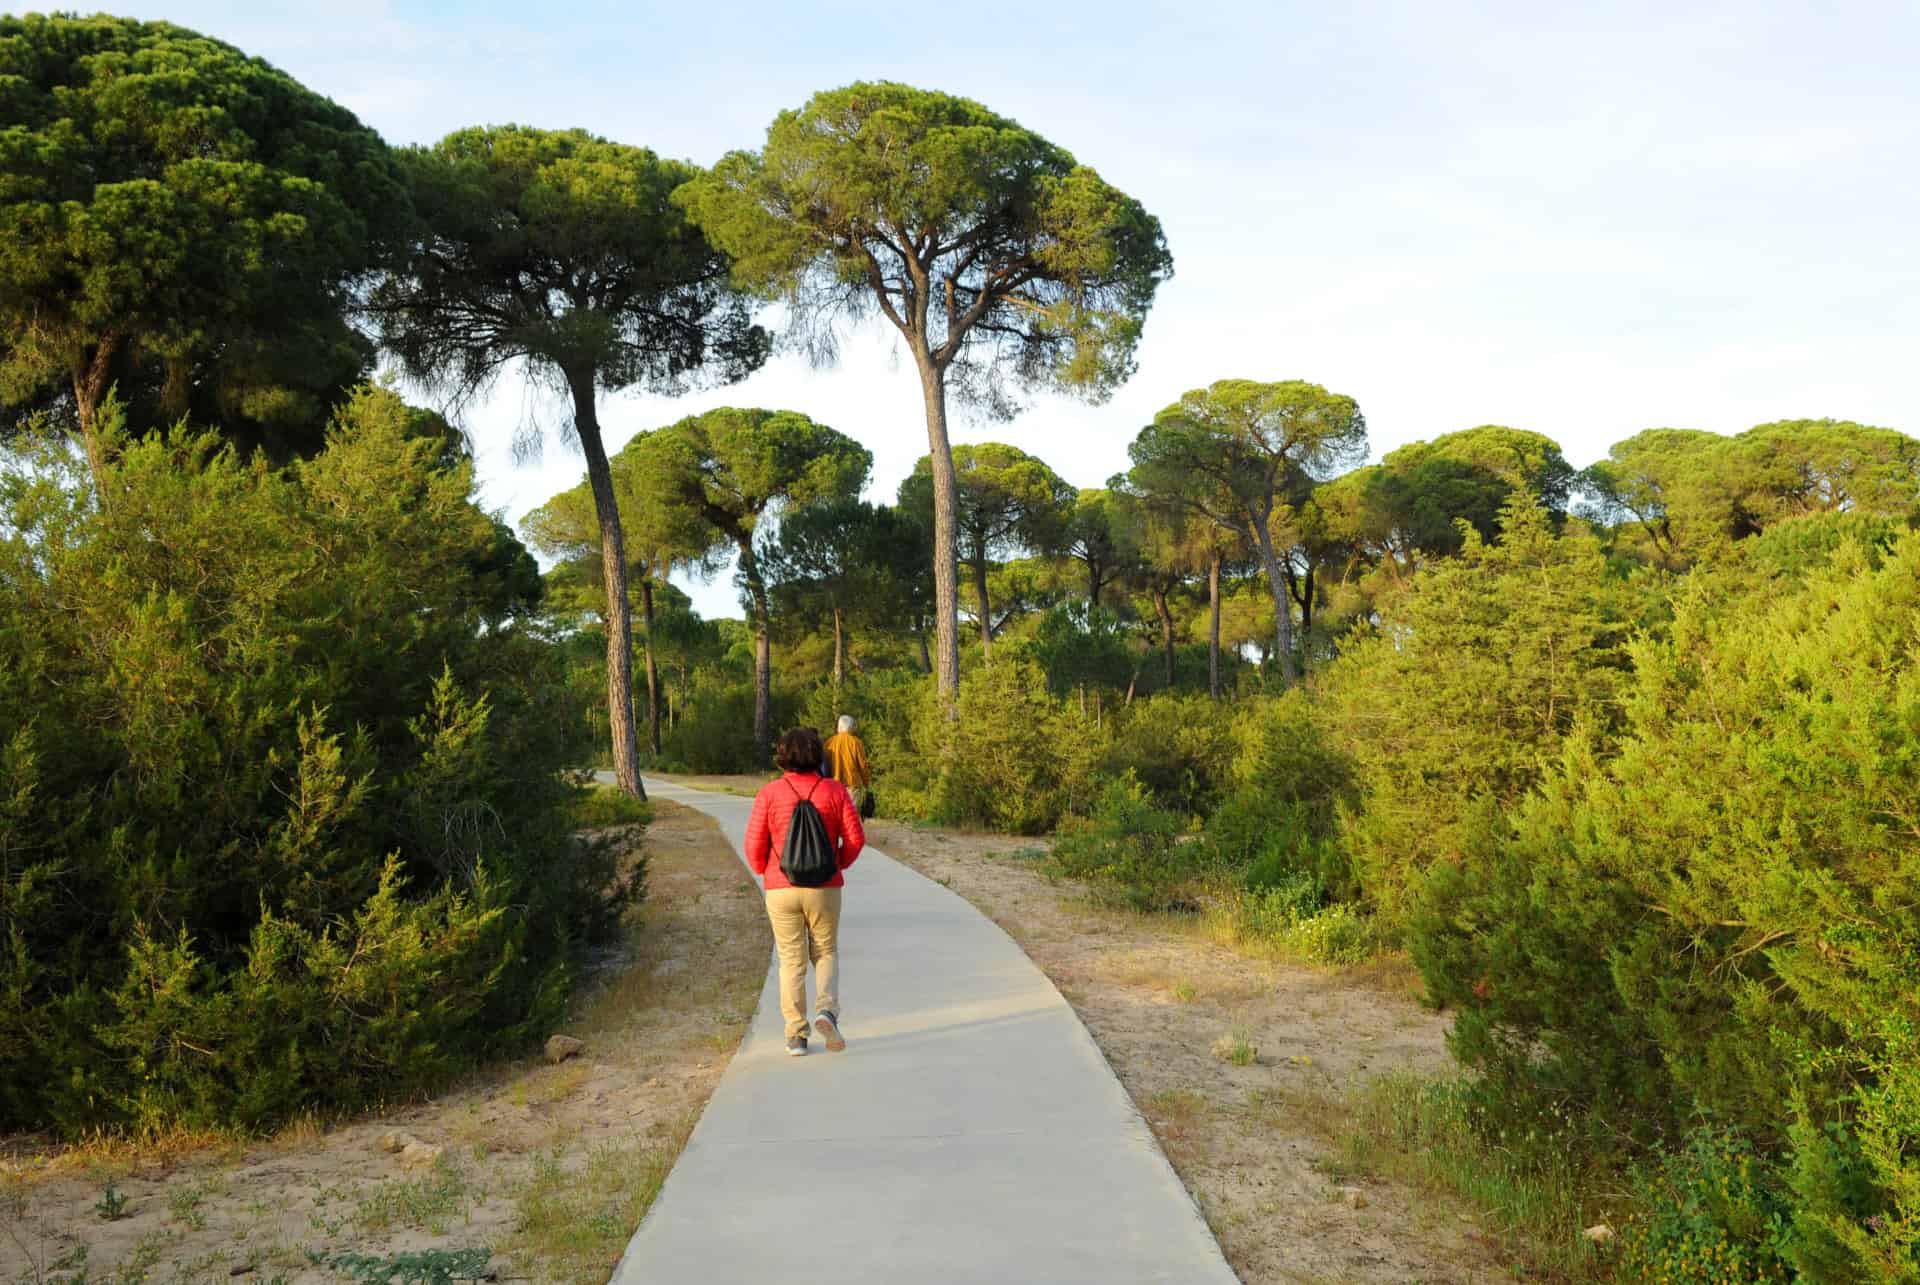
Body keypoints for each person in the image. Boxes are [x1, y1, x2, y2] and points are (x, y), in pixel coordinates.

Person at [745, 727, 865, 1057]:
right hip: (824, 887)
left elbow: (754, 845)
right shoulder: (835, 790)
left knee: (790, 960)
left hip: (781, 887)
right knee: (825, 950)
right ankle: (827, 1011)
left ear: (782, 756)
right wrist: (837, 863)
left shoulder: (769, 793)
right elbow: (855, 839)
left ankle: (796, 1035)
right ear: (818, 755)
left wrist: (766, 870)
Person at [822, 715, 872, 809]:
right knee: (850, 813)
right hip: (852, 784)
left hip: (834, 785)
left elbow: (824, 765)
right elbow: (863, 765)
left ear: (839, 726)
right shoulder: (856, 742)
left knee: (836, 813)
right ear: (851, 727)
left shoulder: (829, 742)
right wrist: (866, 783)